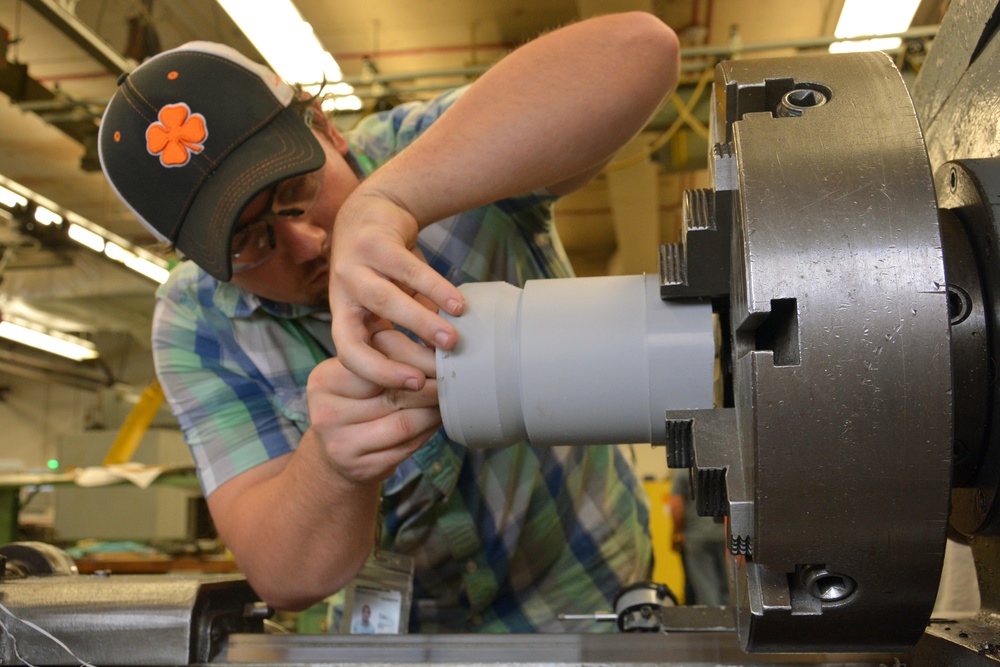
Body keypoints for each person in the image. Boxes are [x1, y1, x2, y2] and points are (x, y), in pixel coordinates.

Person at [98, 12, 680, 632]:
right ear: (198, 262)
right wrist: (331, 465)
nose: (306, 242)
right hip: (409, 637)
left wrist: (392, 200)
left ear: (325, 128)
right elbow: (284, 576)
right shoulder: (195, 320)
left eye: (296, 186)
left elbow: (641, 51)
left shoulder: (424, 148)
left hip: (585, 588)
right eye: (249, 242)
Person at [669, 469, 729, 606]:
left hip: (697, 537)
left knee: (706, 587)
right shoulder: (721, 466)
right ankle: (731, 623)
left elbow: (676, 507)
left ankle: (714, 623)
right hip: (724, 535)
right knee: (729, 585)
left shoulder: (683, 471)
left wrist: (676, 533)